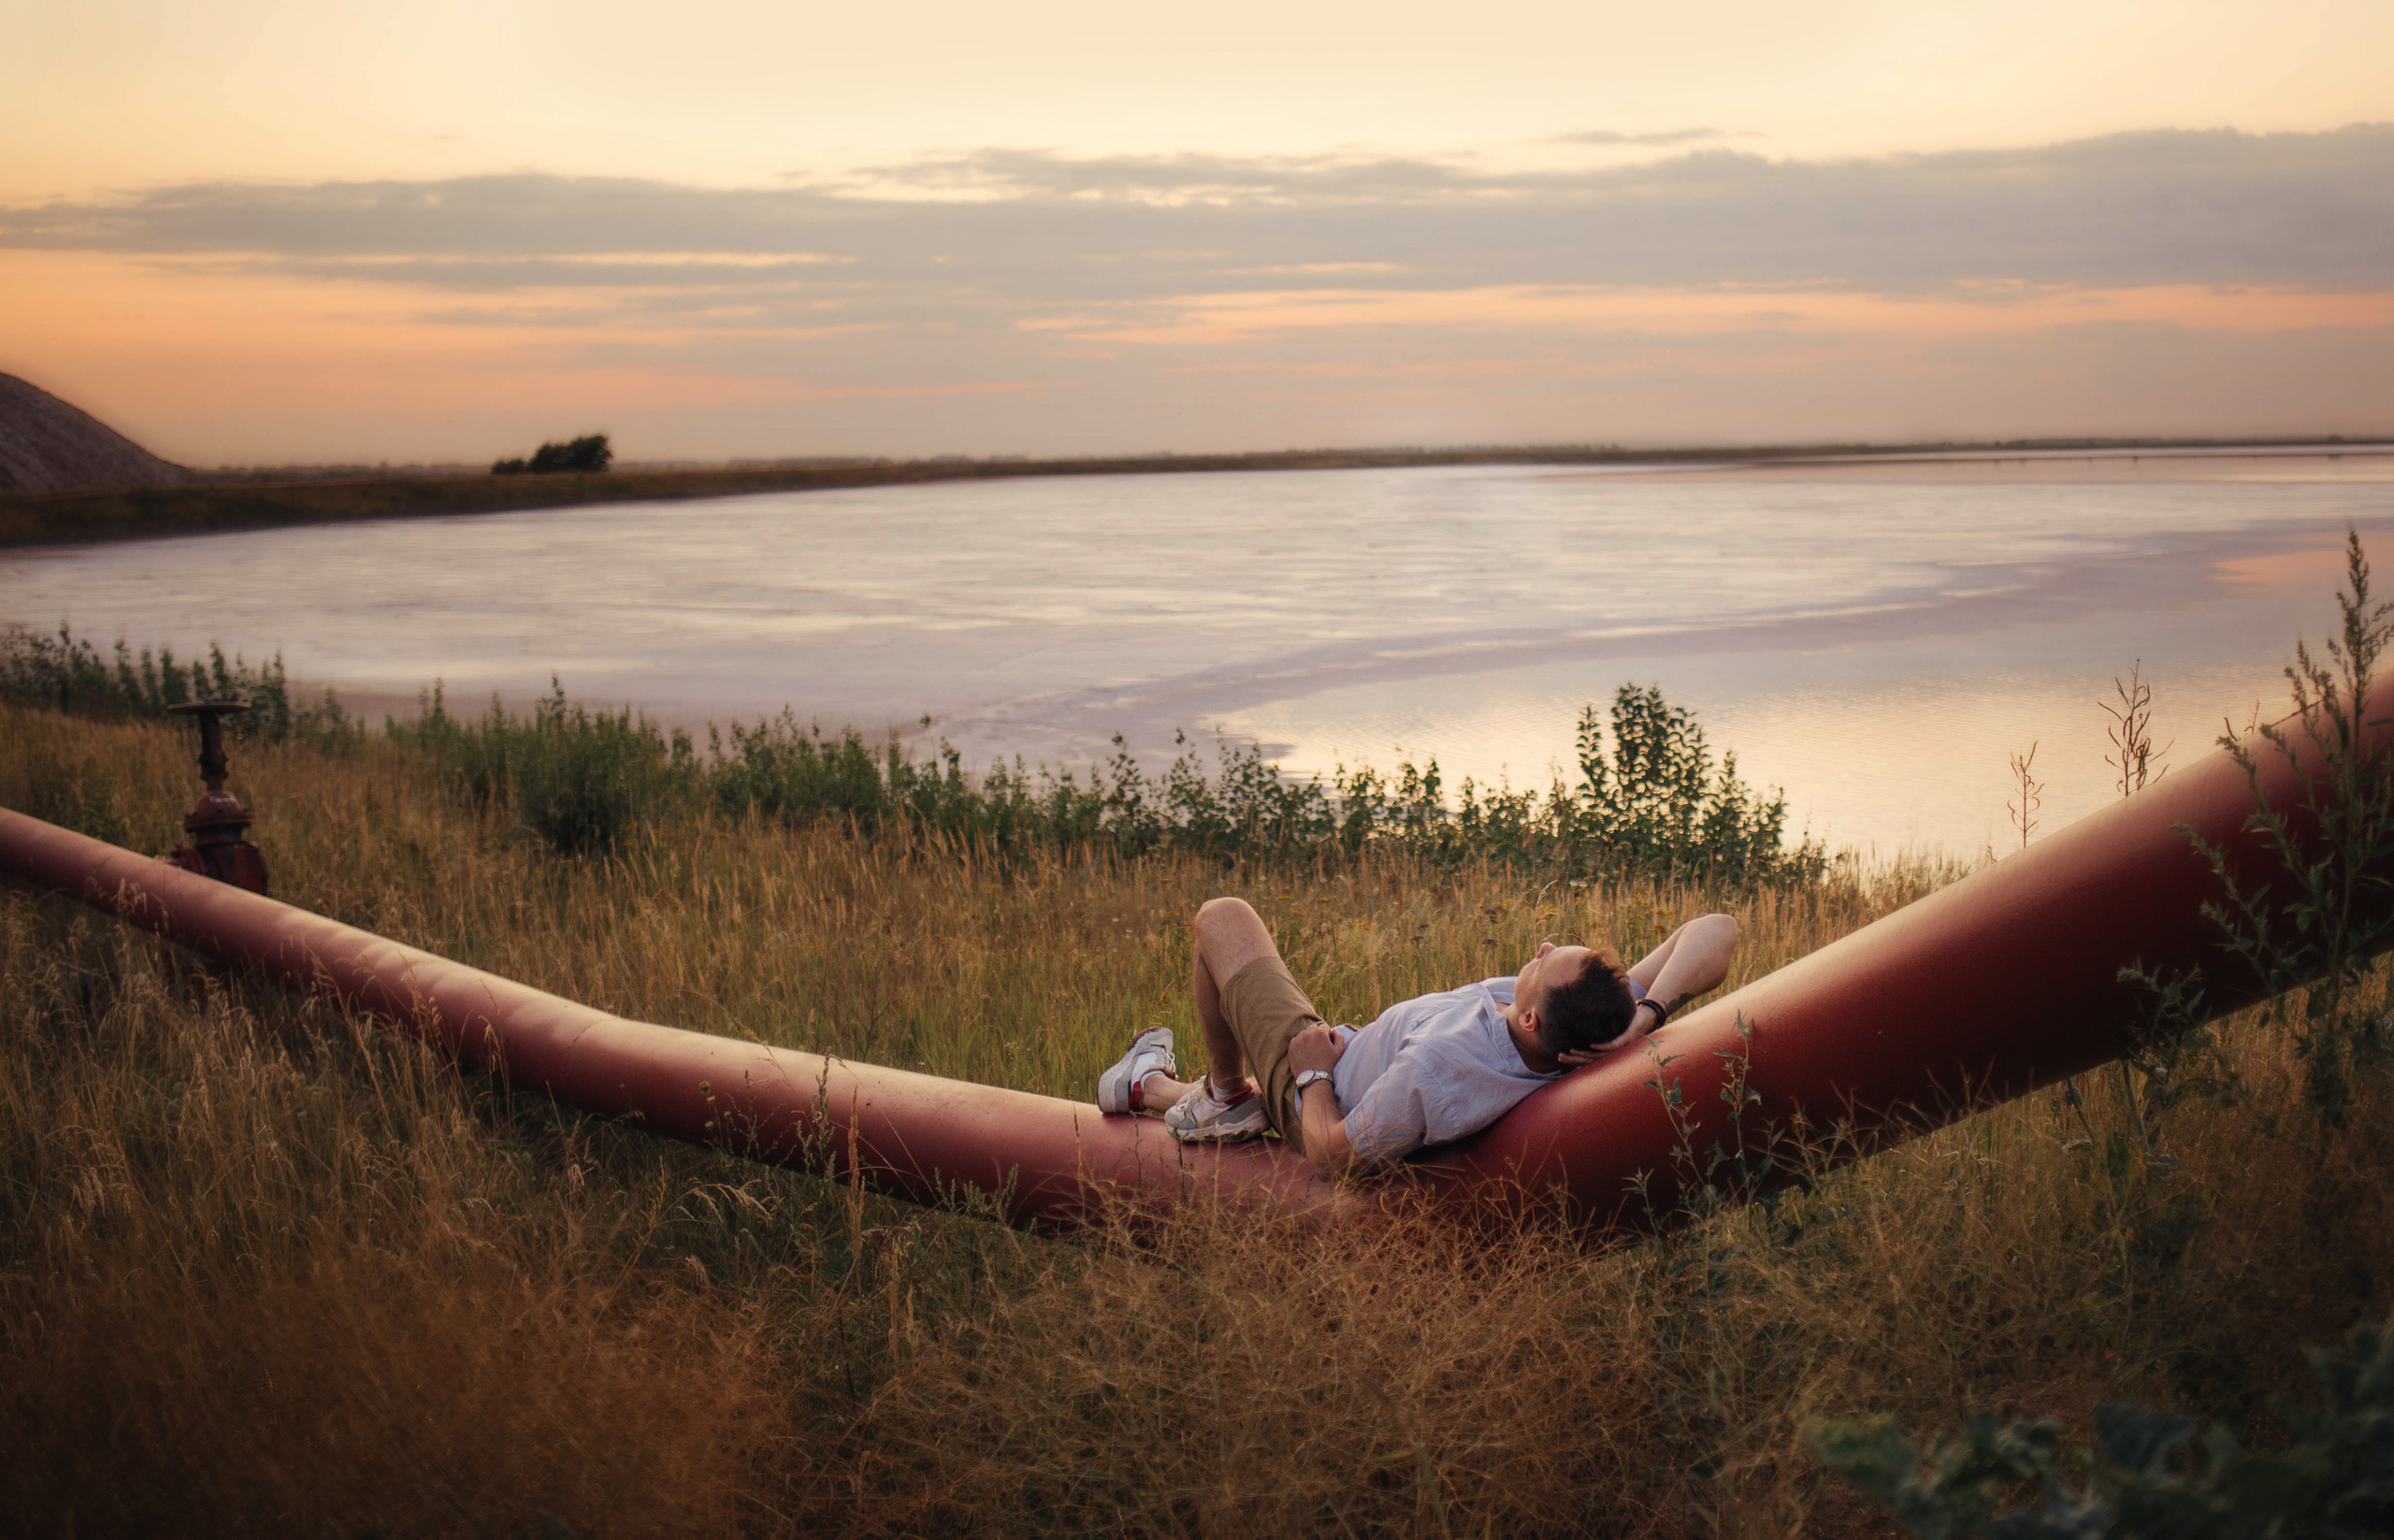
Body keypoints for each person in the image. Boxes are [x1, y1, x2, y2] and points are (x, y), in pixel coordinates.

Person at [1097, 898, 1740, 1178]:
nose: (1541, 947)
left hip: (1323, 1084)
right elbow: (1717, 928)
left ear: (1531, 1020)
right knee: (1234, 961)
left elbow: (1332, 1156)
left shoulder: (1443, 1067)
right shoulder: (1589, 1027)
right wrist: (1646, 1015)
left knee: (1223, 920)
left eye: (1545, 961)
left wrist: (1314, 1073)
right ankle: (1146, 1082)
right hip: (1354, 1054)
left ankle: (1225, 1089)